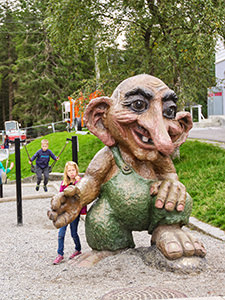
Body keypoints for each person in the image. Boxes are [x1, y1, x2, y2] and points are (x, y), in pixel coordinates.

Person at [53, 161, 87, 265]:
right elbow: (60, 197)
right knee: (61, 233)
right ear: (66, 172)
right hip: (64, 212)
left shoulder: (80, 183)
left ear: (76, 171)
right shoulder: (64, 184)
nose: (71, 172)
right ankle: (60, 254)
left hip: (74, 213)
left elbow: (82, 197)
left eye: (73, 170)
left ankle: (78, 249)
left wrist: (83, 212)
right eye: (69, 171)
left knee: (73, 233)